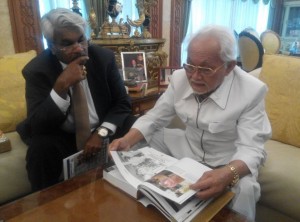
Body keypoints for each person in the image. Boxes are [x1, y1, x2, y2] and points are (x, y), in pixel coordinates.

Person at [109, 25, 272, 221]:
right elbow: (155, 118)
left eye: (205, 68)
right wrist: (127, 140)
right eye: (190, 65)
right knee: (141, 140)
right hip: (187, 147)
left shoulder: (251, 91)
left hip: (227, 158)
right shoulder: (179, 78)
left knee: (246, 189)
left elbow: (252, 149)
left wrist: (227, 174)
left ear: (229, 66)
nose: (194, 76)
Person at [17, 8, 136, 191]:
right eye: (68, 44)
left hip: (102, 130)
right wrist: (61, 86)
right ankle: (45, 207)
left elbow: (122, 102)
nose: (79, 48)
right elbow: (37, 125)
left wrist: (101, 133)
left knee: (136, 125)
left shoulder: (103, 58)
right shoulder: (36, 71)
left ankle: (136, 184)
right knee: (39, 149)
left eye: (81, 39)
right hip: (64, 136)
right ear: (51, 46)